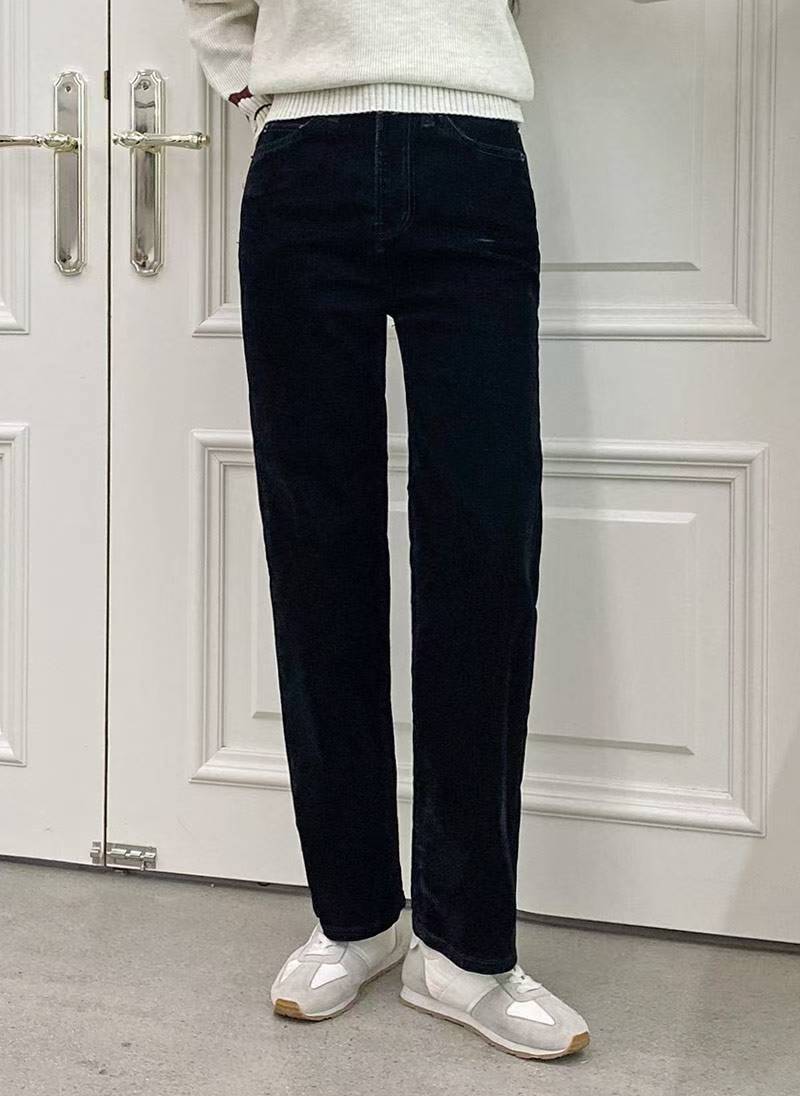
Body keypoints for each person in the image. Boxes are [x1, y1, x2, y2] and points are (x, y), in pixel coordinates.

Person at [181, 0, 589, 1060]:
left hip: (472, 149)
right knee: (317, 547)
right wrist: (258, 80)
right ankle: (355, 915)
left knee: (486, 546)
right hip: (302, 155)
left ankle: (464, 948)